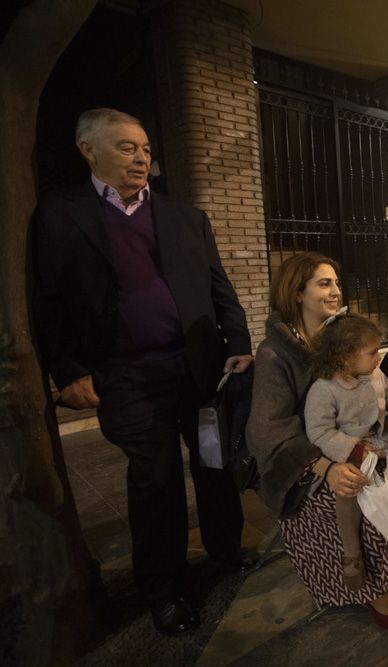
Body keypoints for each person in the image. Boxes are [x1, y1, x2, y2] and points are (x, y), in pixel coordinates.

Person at [30, 108, 252, 635]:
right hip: (127, 375)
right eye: (128, 147)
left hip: (197, 366)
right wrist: (68, 370)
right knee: (155, 482)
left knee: (214, 463)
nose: (142, 158)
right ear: (89, 149)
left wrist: (238, 343)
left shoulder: (184, 216)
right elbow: (46, 301)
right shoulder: (61, 214)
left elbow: (221, 288)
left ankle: (225, 550)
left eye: (146, 149)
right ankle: (165, 588)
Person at [246, 253, 388, 631]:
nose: (335, 291)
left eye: (336, 282)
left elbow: (380, 387)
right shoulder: (275, 353)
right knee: (358, 496)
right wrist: (325, 467)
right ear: (296, 293)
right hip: (302, 464)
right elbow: (267, 431)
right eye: (323, 283)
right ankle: (369, 584)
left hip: (357, 445)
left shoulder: (343, 336)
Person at [304, 313, 388, 590]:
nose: (378, 358)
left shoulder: (374, 375)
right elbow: (319, 432)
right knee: (348, 490)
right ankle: (351, 552)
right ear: (345, 357)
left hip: (378, 443)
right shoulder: (324, 390)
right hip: (346, 453)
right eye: (371, 353)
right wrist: (353, 450)